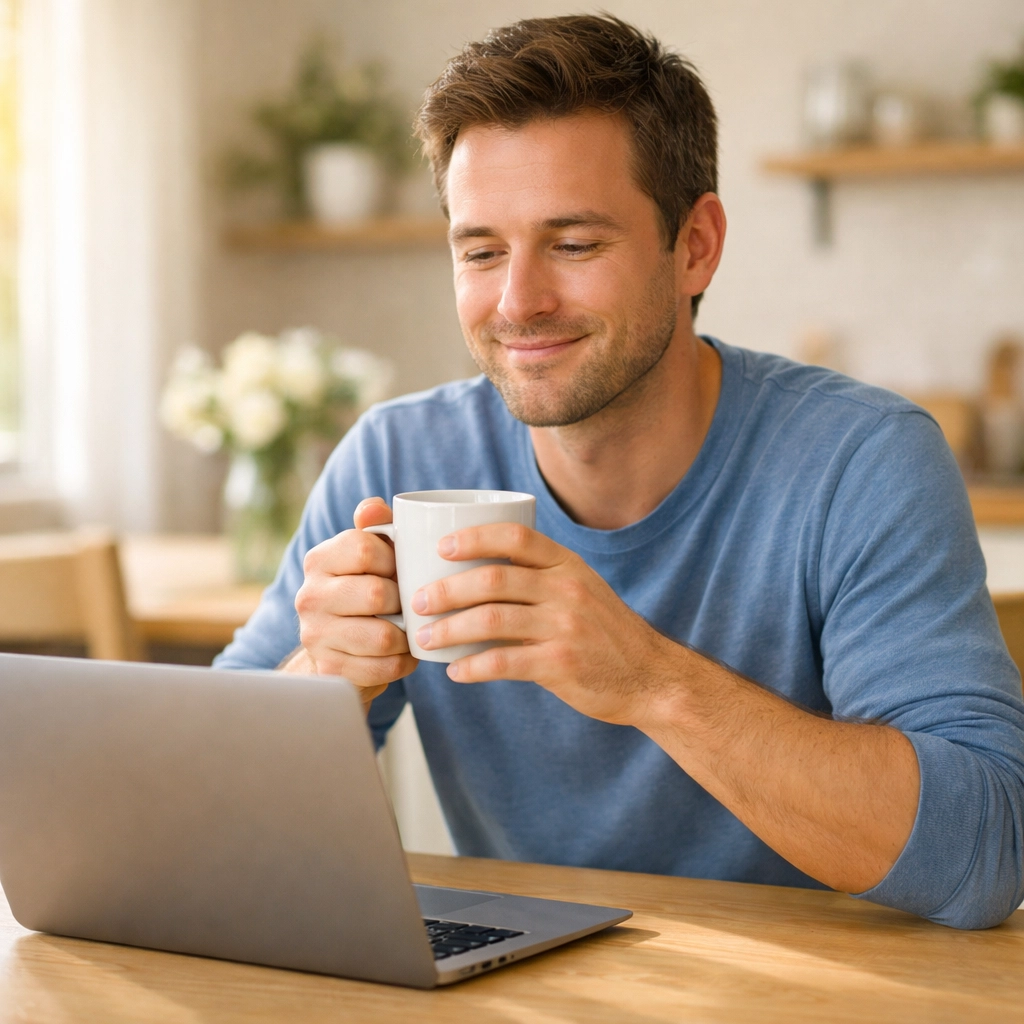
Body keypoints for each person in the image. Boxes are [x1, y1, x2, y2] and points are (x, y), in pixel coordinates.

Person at [215, 14, 1024, 929]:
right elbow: (195, 820)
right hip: (525, 989)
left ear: (697, 245)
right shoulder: (397, 460)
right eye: (481, 251)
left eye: (574, 244)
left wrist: (649, 682)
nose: (518, 302)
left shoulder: (861, 462)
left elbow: (985, 853)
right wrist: (318, 674)